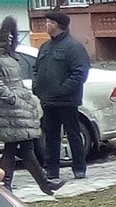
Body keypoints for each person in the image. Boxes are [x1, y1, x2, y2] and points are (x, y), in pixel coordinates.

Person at [0, 19, 60, 195]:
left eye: (12, 33)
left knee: (13, 149)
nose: (10, 37)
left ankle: (7, 184)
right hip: (10, 110)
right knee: (26, 149)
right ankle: (44, 184)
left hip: (18, 109)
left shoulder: (9, 57)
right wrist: (13, 99)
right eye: (6, 33)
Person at [32, 10, 91, 181]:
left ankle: (79, 168)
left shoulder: (74, 47)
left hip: (67, 101)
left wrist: (62, 90)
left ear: (56, 25)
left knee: (73, 134)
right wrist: (37, 86)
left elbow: (80, 74)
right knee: (50, 136)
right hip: (48, 100)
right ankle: (51, 170)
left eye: (49, 22)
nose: (46, 25)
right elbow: (36, 69)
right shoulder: (45, 47)